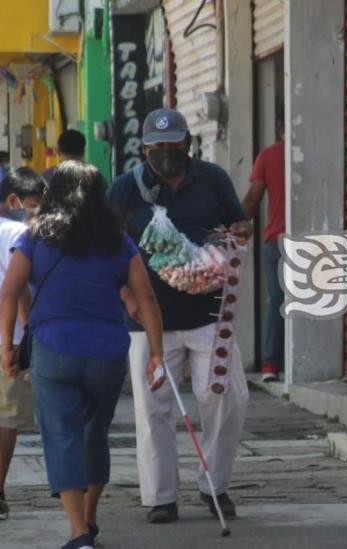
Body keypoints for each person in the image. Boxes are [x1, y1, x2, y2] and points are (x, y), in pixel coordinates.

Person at [0, 161, 164, 549]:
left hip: (54, 352)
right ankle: (90, 520)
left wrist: (9, 346)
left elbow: (9, 293)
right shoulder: (117, 240)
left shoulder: (34, 236)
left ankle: (77, 533)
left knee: (61, 437)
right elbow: (146, 297)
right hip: (107, 354)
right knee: (95, 436)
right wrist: (156, 351)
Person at [107, 108, 253, 524]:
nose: (168, 154)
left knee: (228, 399)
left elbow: (239, 222)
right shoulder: (125, 189)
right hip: (148, 323)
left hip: (210, 316)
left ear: (188, 144)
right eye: (159, 148)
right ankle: (160, 497)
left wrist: (237, 234)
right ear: (145, 149)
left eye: (176, 146)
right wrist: (125, 296)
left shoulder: (211, 178)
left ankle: (214, 485)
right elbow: (103, 246)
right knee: (152, 409)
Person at [0, 168, 45, 521]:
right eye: (33, 205)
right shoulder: (20, 232)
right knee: (8, 419)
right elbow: (21, 290)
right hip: (13, 339)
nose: (35, 213)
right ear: (13, 201)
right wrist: (27, 335)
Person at [241, 116, 285, 382]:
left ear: (279, 129)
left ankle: (271, 364)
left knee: (277, 301)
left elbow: (252, 200)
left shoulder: (268, 156)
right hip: (312, 243)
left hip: (276, 242)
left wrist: (231, 225)